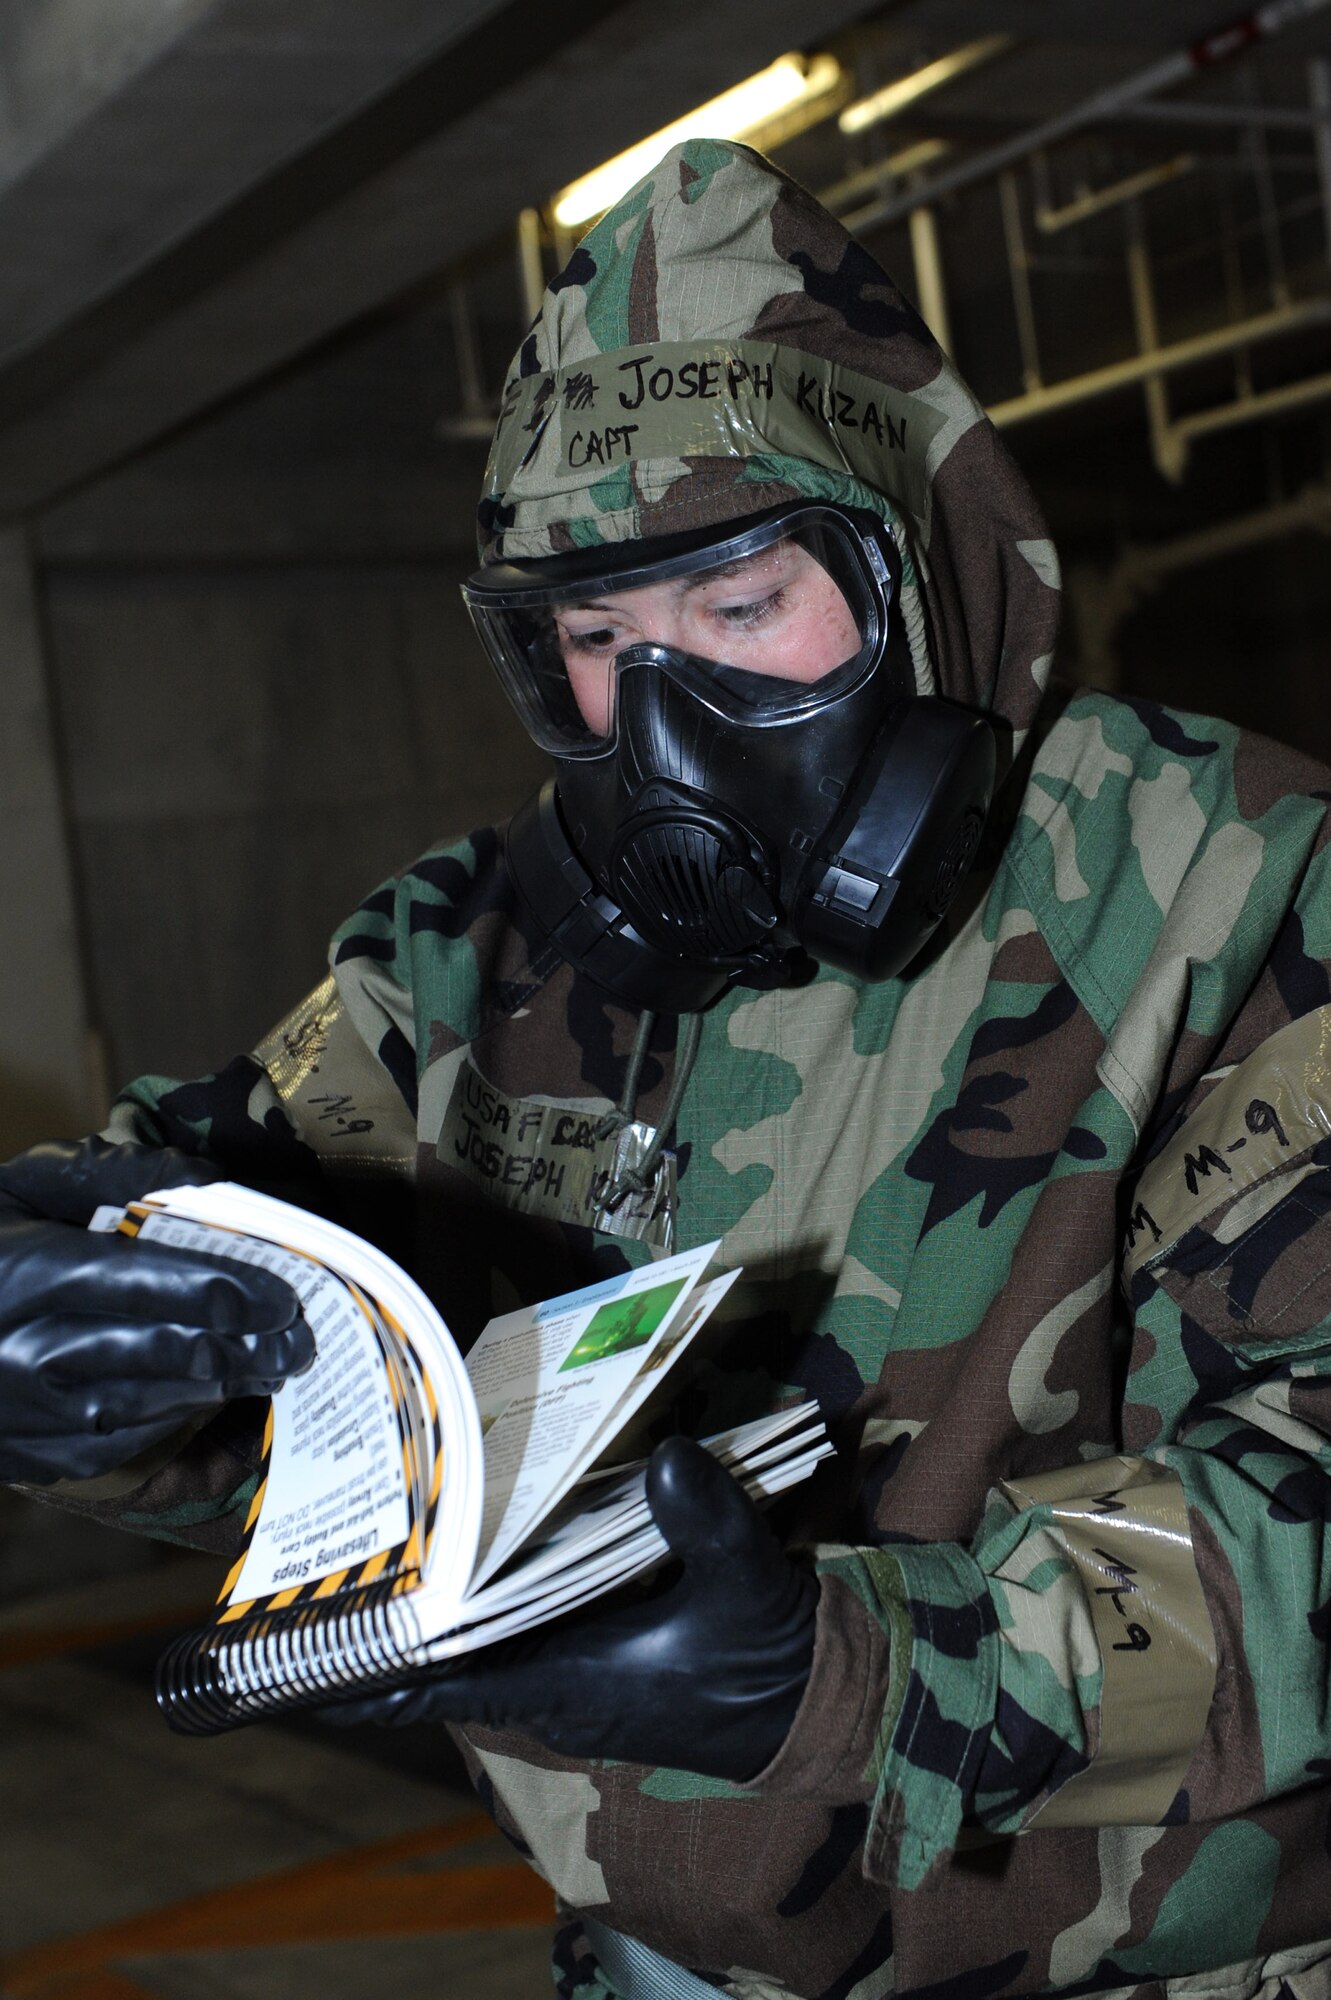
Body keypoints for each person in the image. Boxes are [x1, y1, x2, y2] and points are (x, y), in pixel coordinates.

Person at [4, 136, 1331, 1999]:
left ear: (916, 586)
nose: (670, 730)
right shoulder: (477, 948)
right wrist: (91, 1362)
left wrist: (851, 1673)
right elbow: (250, 1266)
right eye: (601, 640)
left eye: (737, 611)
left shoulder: (1236, 883)